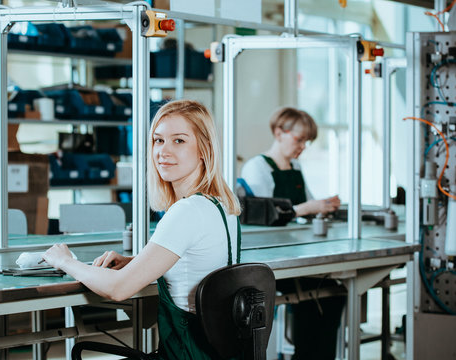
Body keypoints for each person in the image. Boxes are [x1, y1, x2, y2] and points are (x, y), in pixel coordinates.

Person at [43, 100, 242, 359]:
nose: (163, 151)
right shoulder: (223, 205)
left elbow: (118, 289)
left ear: (204, 149)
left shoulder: (186, 212)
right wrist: (136, 262)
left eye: (179, 141)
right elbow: (196, 261)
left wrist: (66, 262)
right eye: (158, 140)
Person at [241, 107, 344, 360]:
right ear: (279, 133)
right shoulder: (258, 167)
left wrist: (323, 205)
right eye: (299, 139)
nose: (303, 146)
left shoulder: (295, 166)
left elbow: (306, 204)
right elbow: (265, 214)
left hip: (298, 251)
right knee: (320, 298)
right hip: (270, 257)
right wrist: (306, 208)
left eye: (307, 142)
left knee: (334, 294)